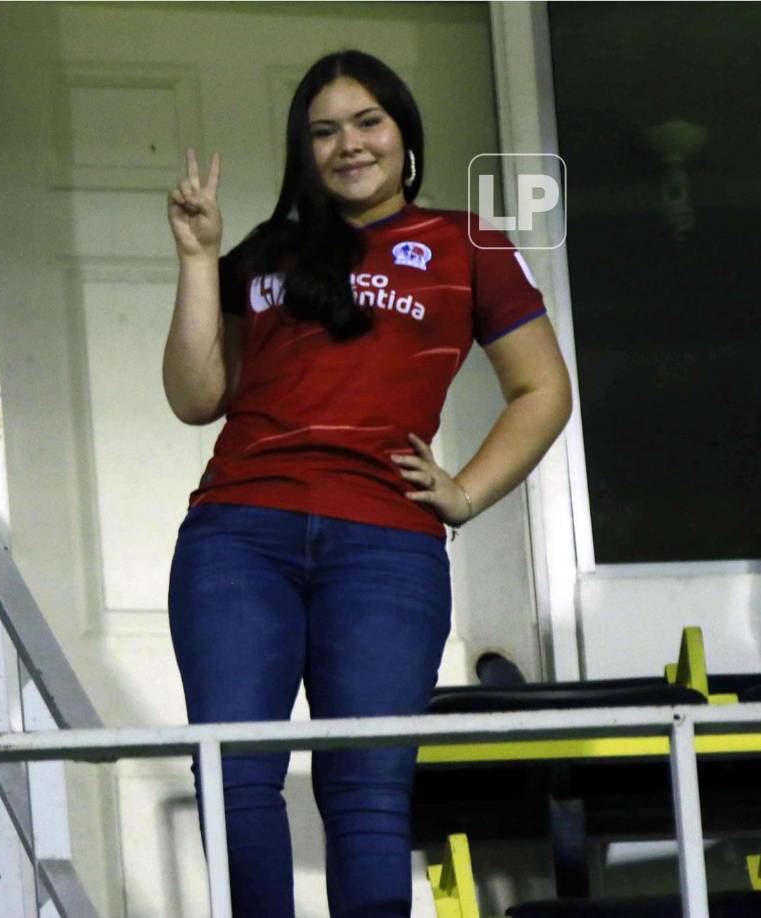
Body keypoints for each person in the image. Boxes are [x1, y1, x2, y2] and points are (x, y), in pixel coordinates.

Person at [163, 49, 572, 918]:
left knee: (367, 793)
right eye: (322, 131)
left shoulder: (468, 244)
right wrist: (199, 260)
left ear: (401, 133)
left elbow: (542, 389)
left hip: (385, 548)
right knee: (233, 773)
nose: (347, 144)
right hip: (239, 535)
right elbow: (196, 397)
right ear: (302, 151)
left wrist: (463, 492)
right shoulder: (261, 256)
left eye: (366, 122)